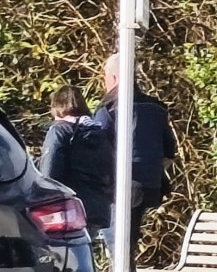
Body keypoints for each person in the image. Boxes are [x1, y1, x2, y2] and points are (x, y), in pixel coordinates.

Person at [91, 53, 177, 254]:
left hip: (119, 187)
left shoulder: (109, 108)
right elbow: (169, 153)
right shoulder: (156, 107)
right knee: (128, 243)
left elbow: (97, 150)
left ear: (112, 77)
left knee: (116, 244)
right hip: (149, 186)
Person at [38, 86, 114, 235]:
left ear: (57, 107)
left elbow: (49, 174)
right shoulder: (99, 132)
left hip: (68, 211)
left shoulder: (59, 131)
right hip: (97, 210)